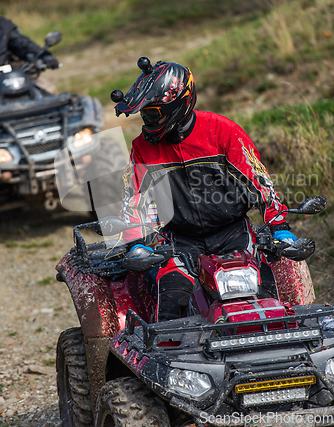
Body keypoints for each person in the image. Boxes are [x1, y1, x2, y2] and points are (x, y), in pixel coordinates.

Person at [113, 57, 299, 321]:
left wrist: (279, 226)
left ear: (178, 105)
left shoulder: (222, 131)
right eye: (145, 114)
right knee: (172, 295)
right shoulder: (142, 147)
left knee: (264, 291)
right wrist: (135, 243)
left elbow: (259, 181)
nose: (147, 121)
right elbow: (134, 198)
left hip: (233, 233)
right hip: (179, 240)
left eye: (153, 114)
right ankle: (172, 358)